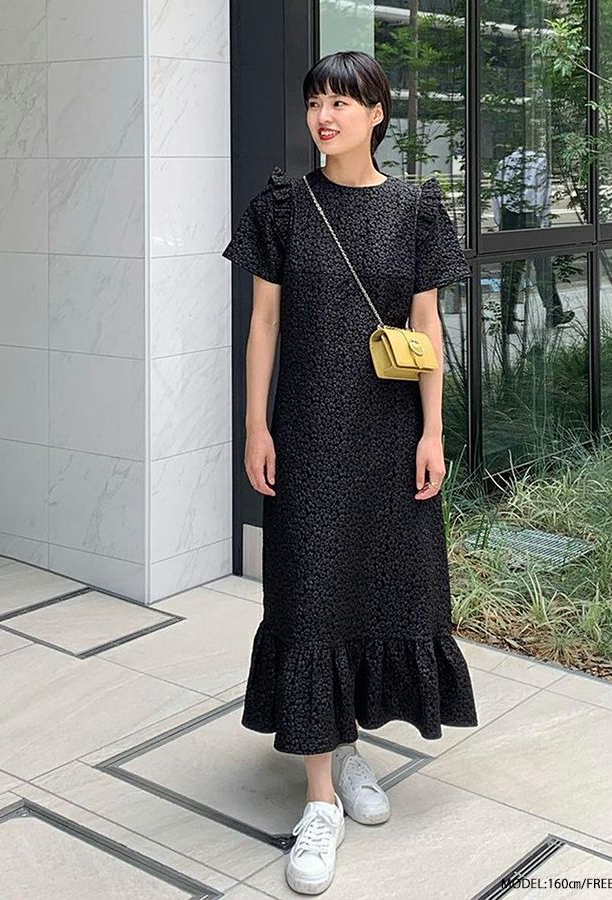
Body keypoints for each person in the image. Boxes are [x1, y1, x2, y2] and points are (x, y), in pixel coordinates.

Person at [222, 50, 479, 895]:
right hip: (307, 437)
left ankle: (345, 747)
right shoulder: (283, 208)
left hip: (388, 437)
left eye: (342, 102)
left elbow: (427, 329)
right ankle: (319, 801)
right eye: (315, 102)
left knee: (376, 593)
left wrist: (432, 431)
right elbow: (264, 324)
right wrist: (256, 423)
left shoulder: (416, 210)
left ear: (377, 115)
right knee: (309, 599)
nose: (324, 116)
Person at [491, 146, 575, 332]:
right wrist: (544, 225)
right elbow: (543, 197)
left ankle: (507, 320)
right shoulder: (540, 162)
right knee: (544, 268)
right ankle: (554, 312)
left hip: (508, 218)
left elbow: (495, 196)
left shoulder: (504, 163)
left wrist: (501, 221)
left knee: (511, 272)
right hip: (531, 217)